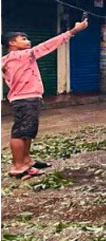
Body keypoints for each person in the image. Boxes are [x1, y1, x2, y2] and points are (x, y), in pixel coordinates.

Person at [3, 18, 88, 179]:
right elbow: (48, 45)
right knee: (20, 132)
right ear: (11, 43)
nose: (28, 41)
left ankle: (26, 161)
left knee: (27, 131)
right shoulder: (23, 55)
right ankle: (18, 166)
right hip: (25, 99)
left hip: (25, 98)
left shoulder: (6, 60)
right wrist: (73, 31)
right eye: (23, 39)